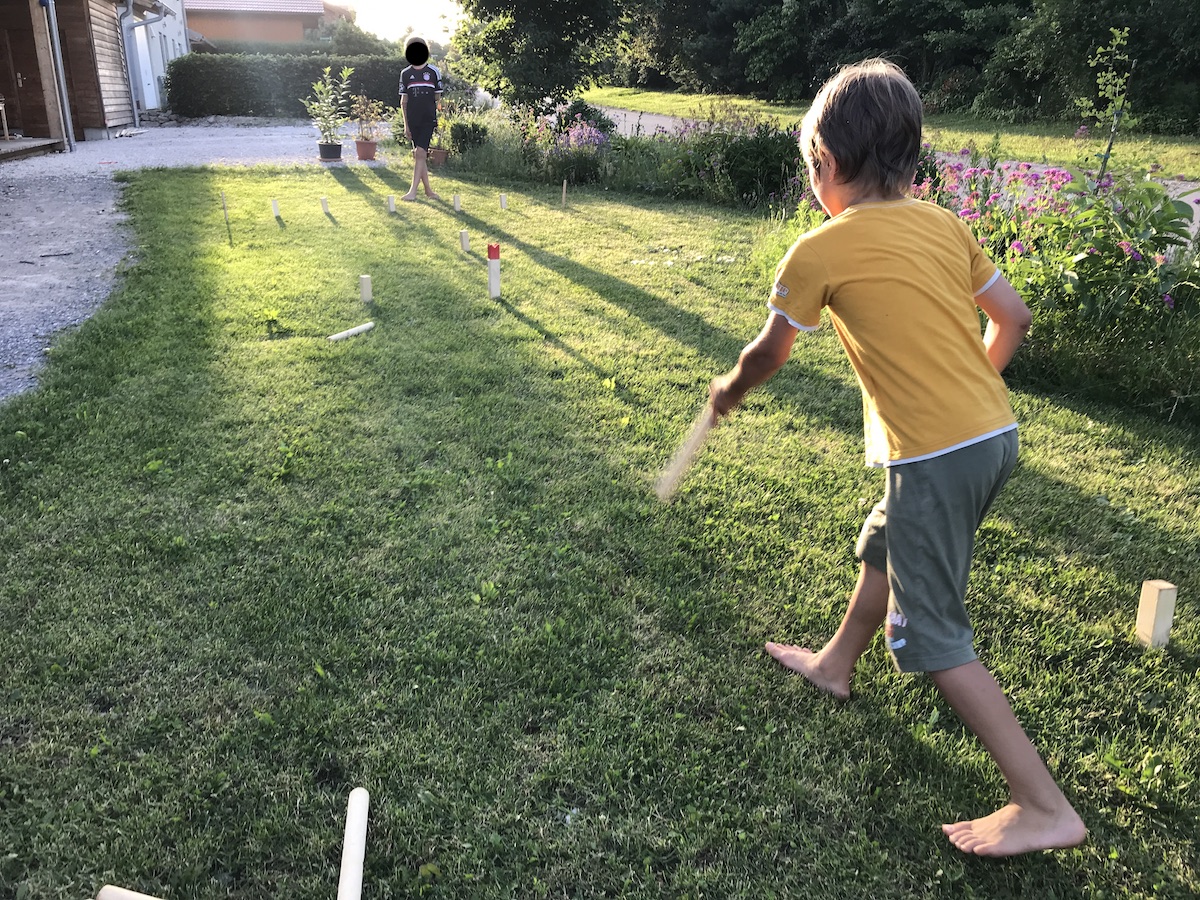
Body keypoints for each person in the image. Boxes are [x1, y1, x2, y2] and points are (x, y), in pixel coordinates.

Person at [707, 58, 1086, 858]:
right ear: (911, 159)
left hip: (941, 453)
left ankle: (1043, 805)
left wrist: (728, 390)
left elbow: (769, 353)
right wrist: (965, 398)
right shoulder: (944, 224)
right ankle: (832, 664)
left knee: (932, 633)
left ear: (825, 164)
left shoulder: (819, 249)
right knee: (889, 539)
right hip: (993, 434)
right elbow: (1012, 318)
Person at [398, 34, 442, 201]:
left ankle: (413, 192)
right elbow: (404, 101)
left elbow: (437, 97)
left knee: (420, 152)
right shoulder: (405, 74)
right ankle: (428, 191)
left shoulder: (433, 72)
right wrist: (406, 125)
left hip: (428, 119)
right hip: (412, 120)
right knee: (419, 155)